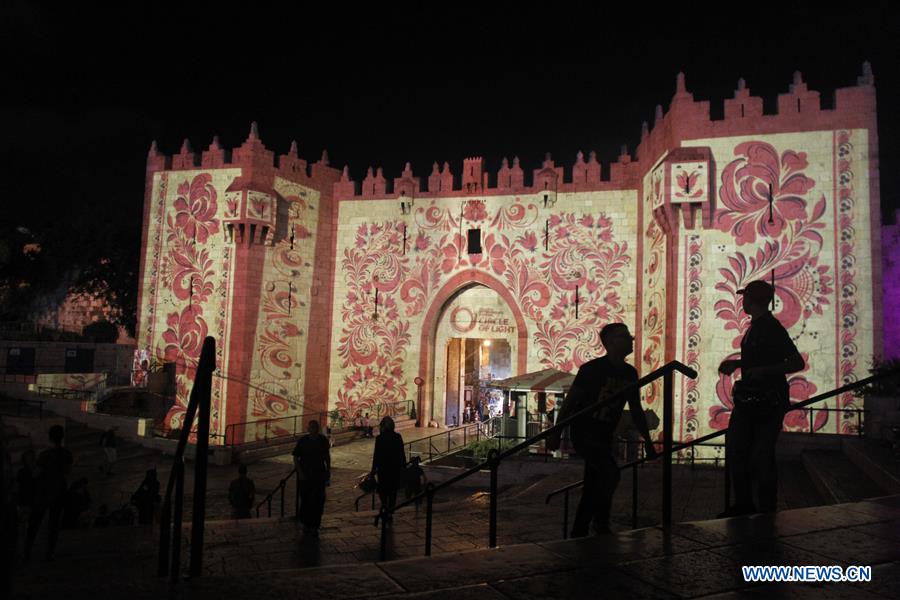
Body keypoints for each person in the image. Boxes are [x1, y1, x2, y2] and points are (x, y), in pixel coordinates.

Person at [547, 323, 657, 537]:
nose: (631, 339)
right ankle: (598, 523)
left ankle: (583, 528)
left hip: (605, 434)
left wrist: (648, 442)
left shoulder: (630, 373)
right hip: (585, 432)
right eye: (624, 336)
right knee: (609, 473)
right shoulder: (592, 370)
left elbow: (636, 409)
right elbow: (570, 403)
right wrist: (556, 433)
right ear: (611, 342)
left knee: (594, 481)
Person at [718, 280, 804, 517]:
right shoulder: (758, 326)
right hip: (753, 400)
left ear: (752, 300)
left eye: (745, 297)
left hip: (765, 402)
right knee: (741, 451)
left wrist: (764, 371)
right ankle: (747, 505)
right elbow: (761, 358)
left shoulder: (770, 327)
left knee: (760, 454)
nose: (742, 301)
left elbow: (796, 362)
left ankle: (764, 508)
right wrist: (739, 364)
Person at [24, 424, 73, 561]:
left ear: (50, 438)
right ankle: (50, 552)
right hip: (59, 491)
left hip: (45, 491)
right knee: (54, 523)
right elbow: (68, 472)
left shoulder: (45, 455)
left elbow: (36, 474)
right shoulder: (66, 454)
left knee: (35, 522)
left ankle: (27, 551)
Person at [292, 420, 331, 537]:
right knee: (306, 500)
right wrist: (300, 472)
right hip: (306, 476)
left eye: (315, 427)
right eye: (312, 427)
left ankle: (315, 524)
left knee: (318, 500)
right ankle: (306, 523)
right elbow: (295, 457)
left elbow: (327, 456)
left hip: (318, 475)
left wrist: (328, 470)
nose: (313, 429)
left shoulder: (322, 440)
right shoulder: (303, 441)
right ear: (309, 429)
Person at [371, 416, 406, 518]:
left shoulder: (380, 438)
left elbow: (376, 455)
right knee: (393, 491)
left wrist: (373, 469)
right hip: (395, 468)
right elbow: (402, 453)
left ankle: (384, 507)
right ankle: (391, 511)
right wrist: (403, 465)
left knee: (383, 490)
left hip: (383, 469)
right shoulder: (397, 437)